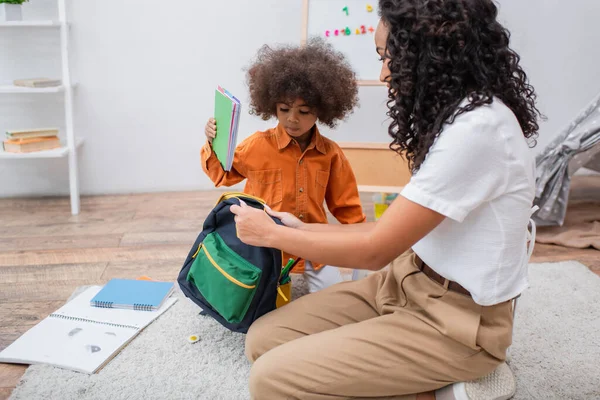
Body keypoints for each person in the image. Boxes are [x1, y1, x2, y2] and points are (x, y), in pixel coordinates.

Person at [230, 0, 542, 399]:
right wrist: (298, 227)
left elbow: (375, 249)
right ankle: (419, 379)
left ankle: (449, 384)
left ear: (429, 57)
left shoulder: (478, 130)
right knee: (262, 341)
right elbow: (388, 232)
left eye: (388, 57)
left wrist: (273, 236)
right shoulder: (455, 117)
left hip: (455, 323)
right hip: (406, 280)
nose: (383, 73)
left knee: (270, 379)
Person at [202, 39, 366, 293]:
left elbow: (347, 208)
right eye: (284, 108)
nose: (292, 119)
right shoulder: (257, 145)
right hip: (264, 246)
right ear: (272, 105)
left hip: (313, 244)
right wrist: (214, 142)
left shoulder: (331, 154)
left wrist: (363, 245)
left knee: (336, 298)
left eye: (304, 111)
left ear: (322, 110)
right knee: (253, 304)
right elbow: (222, 175)